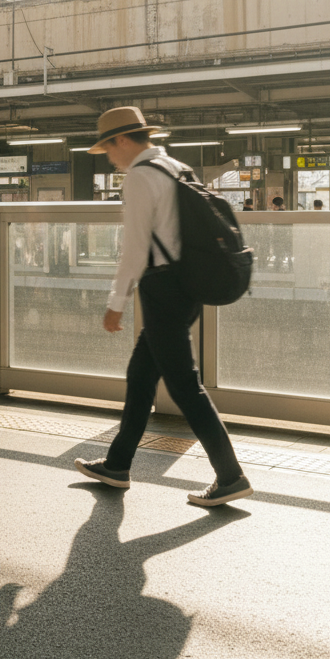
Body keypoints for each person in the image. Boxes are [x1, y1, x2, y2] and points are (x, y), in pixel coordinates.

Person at [73, 105, 253, 507]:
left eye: (108, 148)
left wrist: (115, 304)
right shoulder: (177, 166)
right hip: (186, 284)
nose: (109, 157)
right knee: (141, 378)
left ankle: (231, 476)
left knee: (185, 386)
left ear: (122, 140)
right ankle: (118, 465)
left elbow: (135, 249)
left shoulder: (139, 177)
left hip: (162, 290)